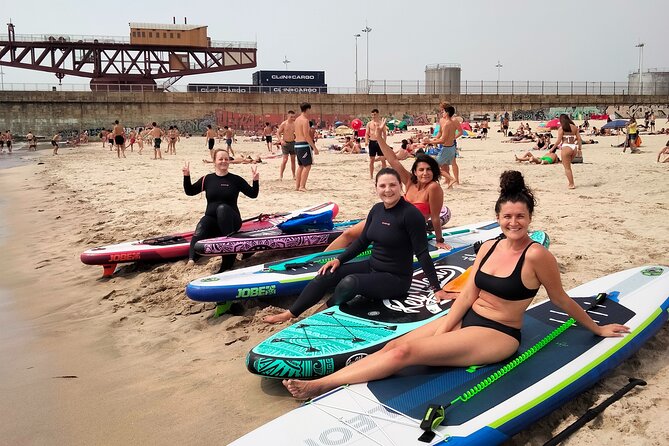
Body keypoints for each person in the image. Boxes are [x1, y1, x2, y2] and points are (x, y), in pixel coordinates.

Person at [281, 170, 631, 399]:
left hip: (497, 334)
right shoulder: (490, 247)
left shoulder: (537, 256)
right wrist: (445, 325)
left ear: (529, 219)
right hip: (466, 318)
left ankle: (319, 386)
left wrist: (596, 329)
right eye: (507, 217)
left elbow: (561, 300)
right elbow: (468, 293)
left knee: (406, 353)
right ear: (498, 218)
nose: (513, 223)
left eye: (520, 217)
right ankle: (342, 380)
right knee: (391, 348)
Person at [264, 167, 450, 324]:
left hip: (396, 279)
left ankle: (322, 310)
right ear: (376, 188)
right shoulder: (377, 210)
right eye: (382, 186)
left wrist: (437, 288)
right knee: (327, 273)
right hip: (373, 267)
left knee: (350, 282)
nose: (388, 190)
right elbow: (362, 241)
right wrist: (338, 259)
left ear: (400, 187)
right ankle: (291, 313)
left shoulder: (411, 215)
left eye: (392, 185)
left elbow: (422, 253)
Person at [326, 122, 451, 252]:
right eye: (421, 170)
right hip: (390, 216)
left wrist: (439, 241)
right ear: (415, 172)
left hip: (406, 228)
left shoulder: (433, 188)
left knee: (367, 239)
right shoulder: (409, 181)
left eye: (429, 169)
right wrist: (379, 136)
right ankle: (317, 263)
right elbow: (393, 160)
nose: (425, 173)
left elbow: (435, 217)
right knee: (348, 234)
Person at [182, 148, 259, 273]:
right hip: (213, 220)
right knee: (202, 225)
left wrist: (255, 181)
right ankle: (192, 259)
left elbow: (253, 194)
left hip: (232, 221)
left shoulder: (235, 180)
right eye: (220, 159)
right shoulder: (207, 179)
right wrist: (186, 176)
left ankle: (228, 260)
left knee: (222, 208)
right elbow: (190, 191)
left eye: (226, 159)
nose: (224, 161)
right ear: (214, 161)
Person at [424, 102, 461, 188]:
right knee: (445, 164)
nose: (441, 112)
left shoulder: (451, 122)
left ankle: (453, 179)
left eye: (443, 110)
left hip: (448, 146)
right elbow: (440, 133)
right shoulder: (444, 121)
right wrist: (434, 139)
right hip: (448, 146)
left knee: (436, 166)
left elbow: (444, 139)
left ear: (447, 112)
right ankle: (449, 183)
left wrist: (430, 141)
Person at [294, 102, 319, 192]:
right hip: (304, 145)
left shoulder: (296, 120)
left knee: (300, 166)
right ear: (307, 109)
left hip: (296, 145)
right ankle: (302, 186)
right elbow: (306, 136)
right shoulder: (305, 121)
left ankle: (297, 186)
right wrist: (314, 147)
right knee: (307, 166)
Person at [553, 114, 582, 189]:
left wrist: (552, 149)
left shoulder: (561, 128)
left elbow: (558, 141)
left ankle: (571, 184)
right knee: (568, 166)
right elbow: (579, 139)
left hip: (566, 147)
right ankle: (571, 182)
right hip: (573, 147)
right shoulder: (574, 127)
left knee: (567, 168)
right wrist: (579, 149)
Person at [366, 109, 388, 179]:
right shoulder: (369, 124)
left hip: (379, 142)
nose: (373, 116)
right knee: (372, 160)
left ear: (378, 114)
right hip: (372, 142)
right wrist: (366, 141)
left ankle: (383, 174)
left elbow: (384, 133)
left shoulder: (381, 123)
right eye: (372, 115)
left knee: (382, 159)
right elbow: (367, 133)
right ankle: (371, 175)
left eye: (375, 115)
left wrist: (384, 142)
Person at [277, 111, 297, 180]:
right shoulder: (284, 124)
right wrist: (281, 140)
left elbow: (297, 133)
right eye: (291, 117)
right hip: (285, 143)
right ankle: (281, 175)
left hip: (293, 143)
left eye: (294, 117)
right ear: (288, 116)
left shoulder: (295, 124)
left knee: (293, 160)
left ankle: (294, 175)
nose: (293, 118)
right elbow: (278, 133)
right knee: (285, 160)